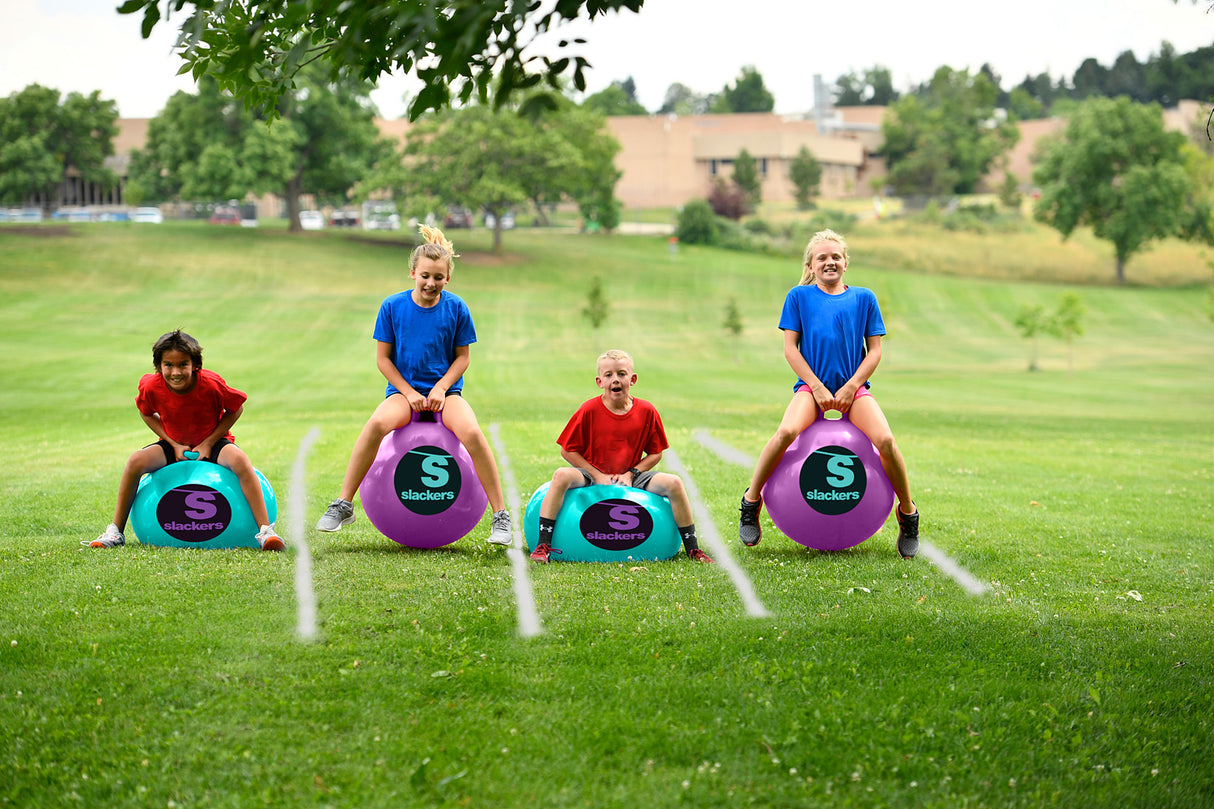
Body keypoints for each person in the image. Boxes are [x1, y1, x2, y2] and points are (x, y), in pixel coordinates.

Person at [316, 225, 512, 545]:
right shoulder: (392, 307)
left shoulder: (457, 308)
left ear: (447, 278)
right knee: (376, 423)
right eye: (424, 276)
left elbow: (462, 359)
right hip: (402, 393)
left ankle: (501, 515)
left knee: (473, 432)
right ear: (412, 273)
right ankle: (344, 504)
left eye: (438, 277)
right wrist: (408, 392)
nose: (430, 283)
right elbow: (383, 360)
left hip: (447, 394)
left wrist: (440, 389)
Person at [738, 229, 920, 558]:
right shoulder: (798, 297)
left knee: (888, 443)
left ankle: (908, 514)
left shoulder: (864, 298)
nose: (829, 262)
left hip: (854, 390)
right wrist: (818, 388)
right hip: (811, 389)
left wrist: (851, 387)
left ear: (846, 262)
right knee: (786, 432)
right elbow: (791, 350)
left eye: (836, 256)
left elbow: (875, 351)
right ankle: (751, 502)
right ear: (810, 265)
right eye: (822, 257)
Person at [88, 330, 284, 551]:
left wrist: (209, 442)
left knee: (239, 460)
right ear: (159, 366)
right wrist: (172, 443)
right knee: (135, 461)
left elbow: (236, 408)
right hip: (175, 444)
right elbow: (145, 412)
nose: (175, 371)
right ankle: (115, 532)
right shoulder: (151, 386)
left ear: (195, 365)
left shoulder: (211, 384)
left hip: (212, 443)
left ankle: (266, 532)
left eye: (183, 364)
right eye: (168, 365)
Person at [529, 349, 714, 564]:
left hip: (631, 475)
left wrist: (632, 473)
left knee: (674, 482)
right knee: (561, 475)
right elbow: (567, 450)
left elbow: (656, 453)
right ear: (599, 381)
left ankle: (693, 549)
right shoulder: (588, 409)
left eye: (621, 374)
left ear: (632, 379)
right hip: (591, 472)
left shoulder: (647, 410)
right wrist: (596, 475)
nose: (615, 379)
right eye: (608, 375)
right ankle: (543, 546)